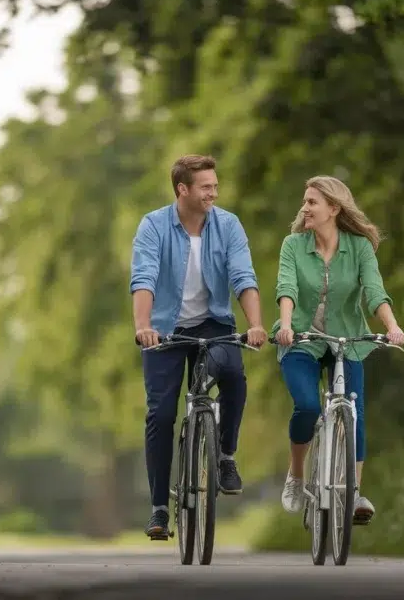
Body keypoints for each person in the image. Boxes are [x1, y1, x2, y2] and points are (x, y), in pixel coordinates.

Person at [130, 154, 267, 539]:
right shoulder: (154, 226)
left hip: (213, 322)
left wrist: (255, 324)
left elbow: (243, 276)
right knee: (160, 414)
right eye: (206, 187)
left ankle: (225, 456)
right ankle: (159, 508)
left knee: (235, 375)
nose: (214, 193)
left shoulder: (228, 225)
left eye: (215, 186)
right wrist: (143, 326)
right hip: (164, 328)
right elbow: (144, 277)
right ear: (183, 189)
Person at [271, 175, 404, 525]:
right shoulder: (293, 245)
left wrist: (391, 327)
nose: (305, 208)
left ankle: (355, 492)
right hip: (300, 339)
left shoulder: (358, 247)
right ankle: (298, 475)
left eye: (312, 202)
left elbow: (375, 291)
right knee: (307, 406)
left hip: (347, 340)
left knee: (353, 410)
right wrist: (286, 325)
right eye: (305, 201)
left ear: (334, 208)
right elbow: (286, 286)